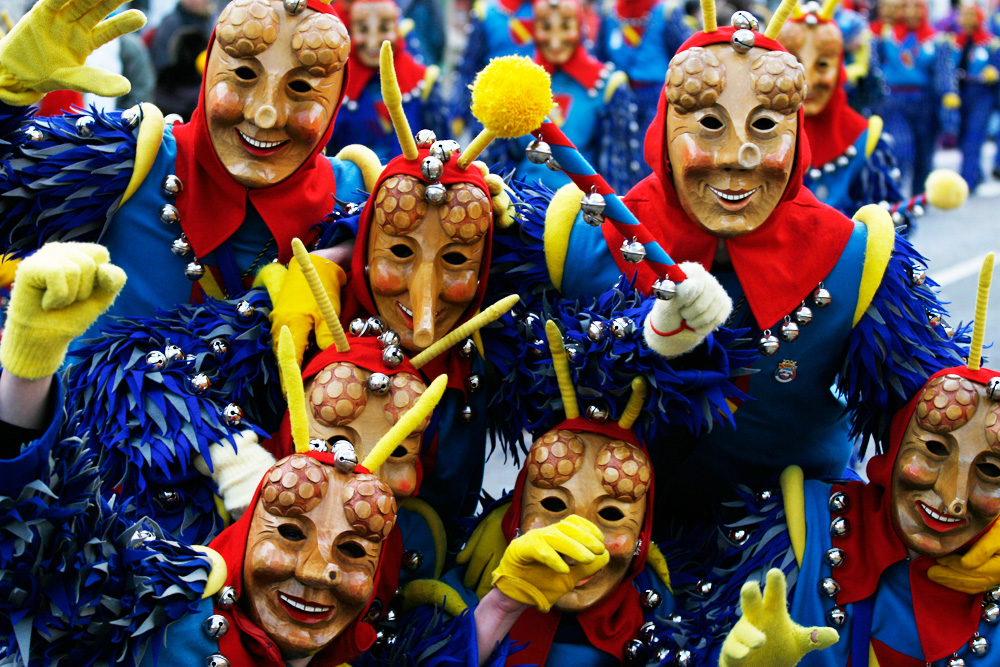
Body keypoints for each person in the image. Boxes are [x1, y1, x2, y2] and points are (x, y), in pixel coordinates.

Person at [0, 241, 428, 667]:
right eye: (292, 534)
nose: (318, 571)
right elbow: (43, 552)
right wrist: (28, 369)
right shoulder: (162, 614)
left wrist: (498, 606)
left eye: (353, 550)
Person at [0, 0, 375, 342]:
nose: (266, 113)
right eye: (244, 74)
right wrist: (8, 92)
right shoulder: (130, 163)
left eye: (299, 87)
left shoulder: (355, 196)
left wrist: (343, 253)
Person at [327, 0, 445, 162]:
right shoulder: (335, 84)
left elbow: (442, 147)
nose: (373, 42)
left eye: (384, 28)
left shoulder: (424, 82)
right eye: (363, 29)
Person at [874, 0, 960, 195]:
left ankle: (918, 198)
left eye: (916, 7)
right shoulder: (886, 36)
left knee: (924, 154)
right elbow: (874, 68)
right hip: (894, 101)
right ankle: (896, 196)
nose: (911, 12)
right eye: (907, 7)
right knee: (901, 149)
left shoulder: (938, 40)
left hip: (925, 102)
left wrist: (948, 100)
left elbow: (944, 73)